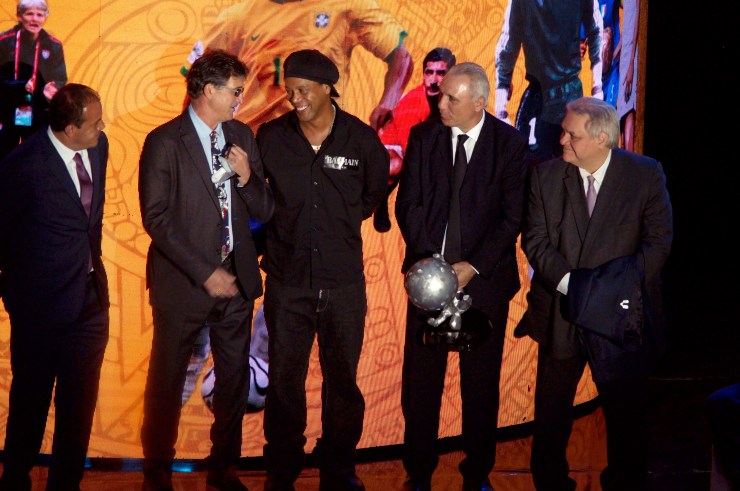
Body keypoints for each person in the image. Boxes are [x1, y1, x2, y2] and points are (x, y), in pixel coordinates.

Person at [518, 96, 673, 491]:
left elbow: (657, 245)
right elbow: (536, 242)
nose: (562, 140)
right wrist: (577, 290)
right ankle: (550, 484)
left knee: (625, 418)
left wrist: (605, 295)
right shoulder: (546, 176)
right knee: (551, 416)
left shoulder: (645, 174)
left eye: (572, 135)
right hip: (562, 315)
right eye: (564, 132)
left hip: (622, 317)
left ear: (602, 139)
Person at [138, 49, 274, 491]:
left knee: (233, 380)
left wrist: (247, 177)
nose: (240, 99)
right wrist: (205, 271)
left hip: (236, 282)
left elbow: (265, 208)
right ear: (208, 90)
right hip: (183, 285)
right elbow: (156, 218)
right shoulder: (164, 141)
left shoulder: (242, 135)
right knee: (167, 380)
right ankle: (157, 470)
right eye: (234, 91)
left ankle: (224, 468)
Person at [255, 49, 388, 491]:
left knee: (343, 381)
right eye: (290, 90)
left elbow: (371, 197)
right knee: (284, 379)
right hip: (286, 281)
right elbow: (257, 201)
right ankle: (282, 468)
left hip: (342, 282)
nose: (295, 98)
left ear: (328, 88)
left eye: (303, 90)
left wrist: (335, 224)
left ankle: (339, 467)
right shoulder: (270, 137)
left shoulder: (362, 141)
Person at [394, 62, 529, 490]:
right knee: (421, 384)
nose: (442, 104)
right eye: (441, 95)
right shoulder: (424, 136)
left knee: (481, 385)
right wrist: (434, 267)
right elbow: (408, 205)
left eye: (453, 98)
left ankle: (478, 473)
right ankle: (418, 473)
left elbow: (512, 217)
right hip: (429, 281)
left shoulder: (509, 144)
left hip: (484, 282)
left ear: (479, 102)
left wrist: (471, 267)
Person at [0, 83, 109, 490]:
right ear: (69, 128)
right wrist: (16, 296)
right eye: (94, 123)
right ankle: (15, 478)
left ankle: (66, 483)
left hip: (90, 303)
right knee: (31, 400)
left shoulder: (98, 147)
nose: (102, 128)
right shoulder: (24, 164)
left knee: (79, 406)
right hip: (39, 308)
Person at [183, 0, 413, 133]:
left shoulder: (345, 6)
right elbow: (198, 79)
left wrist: (388, 102)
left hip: (316, 144)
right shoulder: (238, 17)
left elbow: (401, 56)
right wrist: (187, 138)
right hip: (251, 147)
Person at [494, 0, 603, 162]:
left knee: (563, 168)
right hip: (546, 98)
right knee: (533, 166)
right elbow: (508, 43)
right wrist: (500, 109)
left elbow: (596, 31)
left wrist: (598, 88)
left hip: (563, 98)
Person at [373, 46, 456, 233]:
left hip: (424, 143)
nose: (433, 80)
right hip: (394, 146)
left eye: (441, 73)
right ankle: (380, 199)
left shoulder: (455, 98)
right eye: (429, 72)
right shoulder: (413, 104)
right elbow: (410, 152)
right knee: (397, 165)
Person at [0, 0, 67, 159]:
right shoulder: (4, 41)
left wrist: (52, 89)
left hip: (38, 110)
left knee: (34, 157)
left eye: (39, 15)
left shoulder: (53, 45)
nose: (34, 19)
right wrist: (21, 86)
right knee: (4, 156)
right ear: (19, 16)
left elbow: (60, 78)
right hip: (7, 109)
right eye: (29, 14)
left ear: (45, 17)